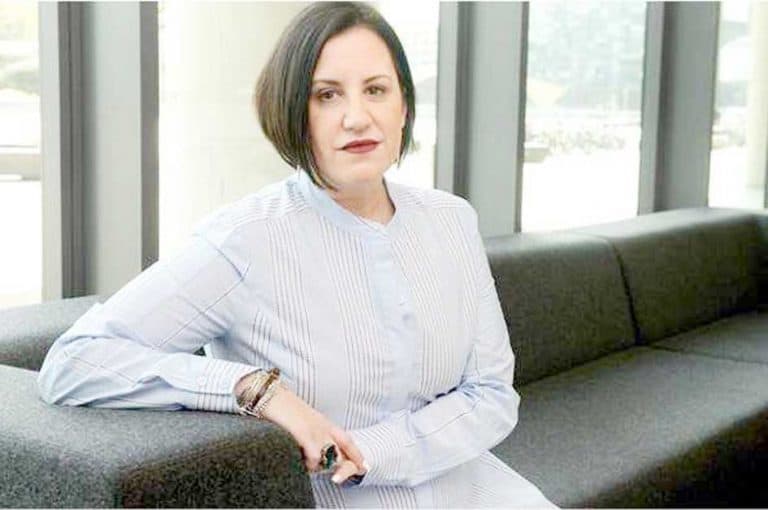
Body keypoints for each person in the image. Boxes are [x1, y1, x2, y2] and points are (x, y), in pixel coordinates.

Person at [37, 2, 554, 507]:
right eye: (326, 95)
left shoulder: (451, 220)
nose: (357, 117)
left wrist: (371, 452)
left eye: (376, 89)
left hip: (475, 486)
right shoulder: (244, 240)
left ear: (403, 106)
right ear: (293, 114)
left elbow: (491, 393)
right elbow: (74, 361)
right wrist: (252, 388)